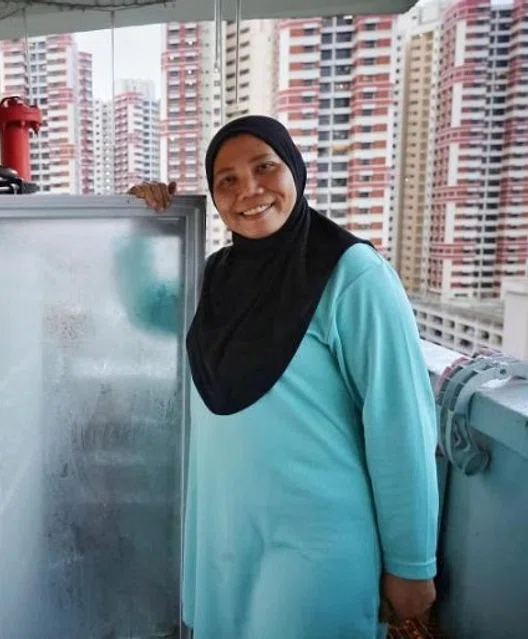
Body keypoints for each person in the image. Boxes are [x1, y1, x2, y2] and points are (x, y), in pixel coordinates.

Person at [126, 115, 439, 638]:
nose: (248, 189)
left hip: (317, 543)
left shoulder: (351, 273)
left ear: (295, 170)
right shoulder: (220, 275)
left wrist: (412, 563)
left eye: (264, 167)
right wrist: (142, 227)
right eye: (226, 179)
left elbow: (400, 421)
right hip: (224, 530)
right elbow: (146, 308)